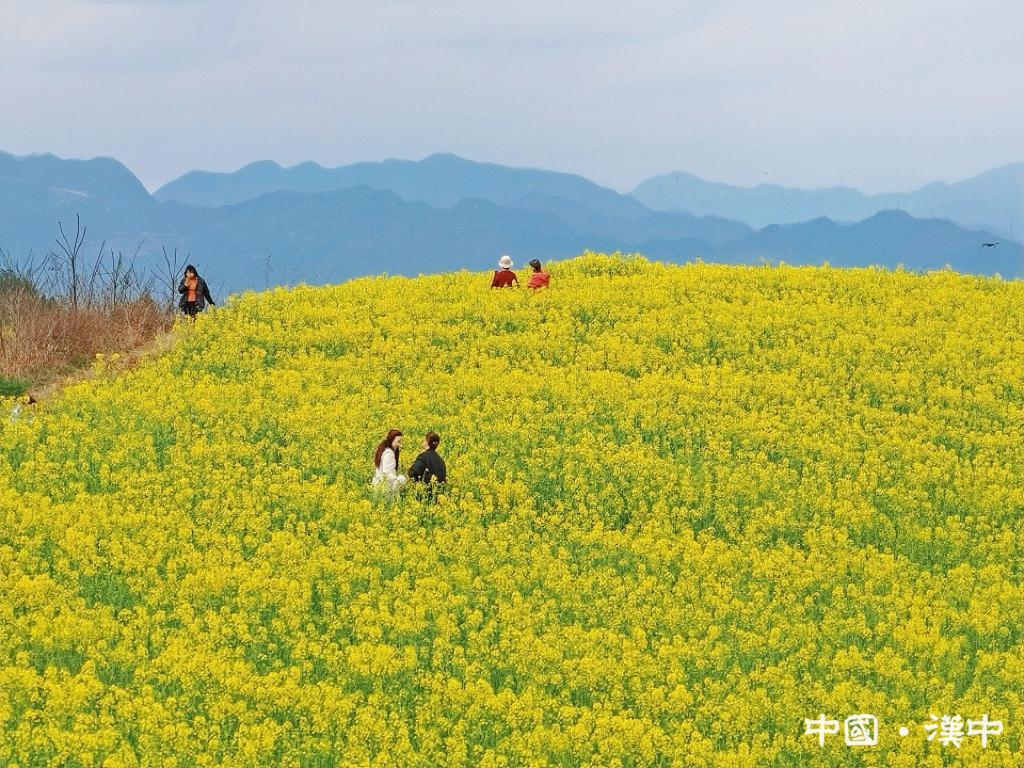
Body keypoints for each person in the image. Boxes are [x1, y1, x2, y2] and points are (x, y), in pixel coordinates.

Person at [408, 431, 447, 499]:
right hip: (439, 496)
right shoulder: (441, 460)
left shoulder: (423, 456)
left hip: (425, 494)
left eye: (424, 440)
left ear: (426, 442)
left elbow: (412, 473)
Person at [371, 429, 407, 496]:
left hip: (378, 487)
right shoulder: (389, 453)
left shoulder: (385, 450)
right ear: (391, 440)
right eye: (398, 442)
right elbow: (388, 473)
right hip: (385, 490)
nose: (400, 445)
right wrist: (401, 480)